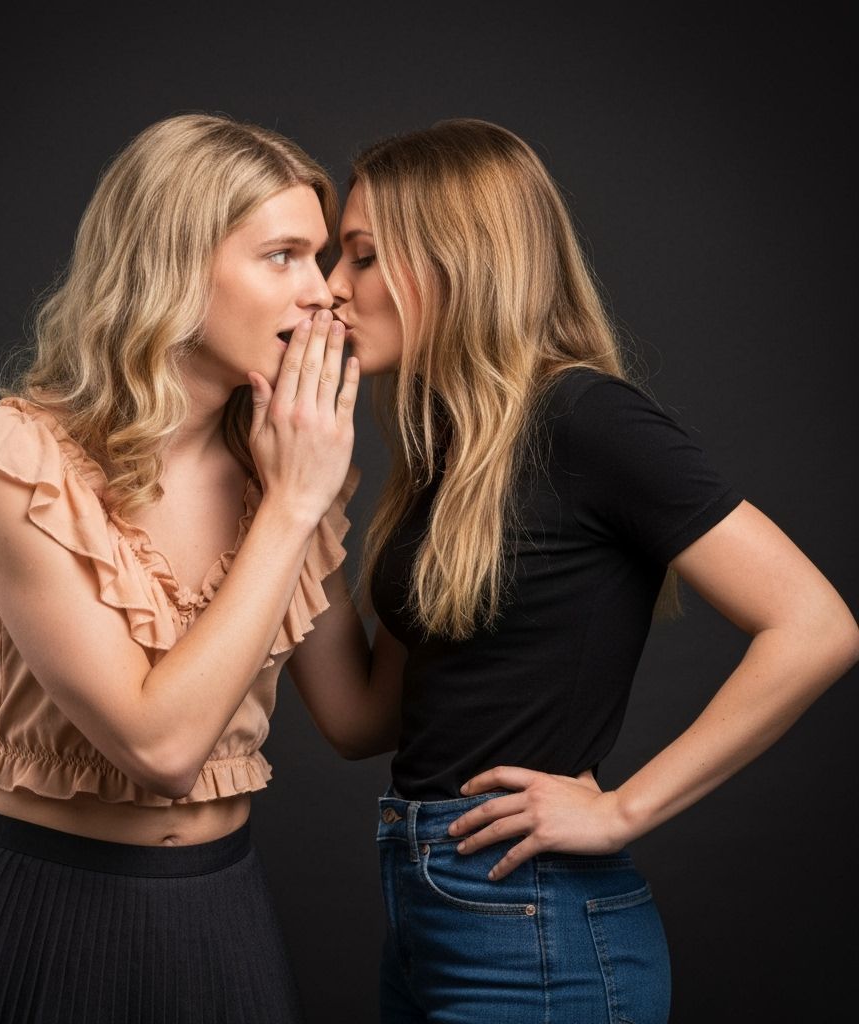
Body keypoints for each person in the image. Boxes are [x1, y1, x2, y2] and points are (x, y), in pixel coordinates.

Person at [285, 119, 859, 1023]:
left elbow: (817, 625)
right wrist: (291, 508)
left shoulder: (586, 417)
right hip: (426, 908)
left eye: (360, 257)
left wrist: (623, 809)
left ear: (455, 261)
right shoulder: (448, 456)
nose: (329, 290)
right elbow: (362, 722)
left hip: (533, 928)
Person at [0, 113, 360, 1024]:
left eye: (322, 257)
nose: (322, 294)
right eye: (283, 256)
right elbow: (159, 750)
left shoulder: (285, 466)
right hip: (43, 913)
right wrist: (293, 508)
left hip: (222, 912)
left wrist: (480, 492)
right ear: (176, 263)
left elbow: (358, 716)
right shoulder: (16, 465)